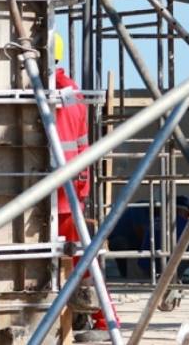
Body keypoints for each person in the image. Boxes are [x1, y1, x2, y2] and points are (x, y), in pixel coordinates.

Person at [52, 32, 120, 338]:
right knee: (80, 258)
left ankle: (104, 322)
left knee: (79, 261)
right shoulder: (73, 91)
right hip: (72, 187)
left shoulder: (51, 92)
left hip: (54, 191)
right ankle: (96, 319)